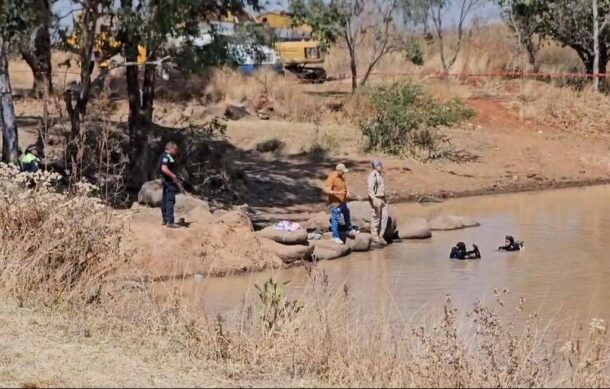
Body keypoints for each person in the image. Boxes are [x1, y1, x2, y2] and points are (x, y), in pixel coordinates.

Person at [324, 163, 358, 245]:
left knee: (346, 213)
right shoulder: (332, 177)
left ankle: (349, 230)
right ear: (338, 170)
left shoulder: (341, 177)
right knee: (335, 219)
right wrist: (339, 193)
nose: (344, 173)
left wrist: (347, 192)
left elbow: (343, 188)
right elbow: (326, 190)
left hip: (342, 201)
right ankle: (335, 237)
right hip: (335, 202)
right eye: (342, 172)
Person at [159, 141, 181, 228]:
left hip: (167, 181)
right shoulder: (166, 156)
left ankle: (165, 219)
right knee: (170, 201)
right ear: (171, 148)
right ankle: (170, 221)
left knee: (165, 200)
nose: (176, 151)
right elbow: (164, 168)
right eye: (175, 149)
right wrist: (173, 176)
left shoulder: (168, 156)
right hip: (169, 182)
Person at [368, 160, 388, 246]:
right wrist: (373, 199)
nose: (381, 166)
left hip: (382, 199)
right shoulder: (372, 175)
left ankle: (381, 235)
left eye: (381, 165)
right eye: (380, 165)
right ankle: (374, 237)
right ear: (376, 166)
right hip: (376, 199)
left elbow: (382, 187)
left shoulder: (380, 175)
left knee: (385, 217)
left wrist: (385, 199)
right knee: (376, 218)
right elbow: (370, 189)